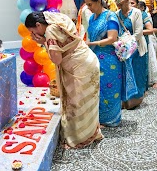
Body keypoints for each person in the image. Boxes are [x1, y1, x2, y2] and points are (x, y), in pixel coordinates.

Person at [24, 11, 103, 148]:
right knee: (89, 100)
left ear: (38, 25)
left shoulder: (50, 31)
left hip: (79, 67)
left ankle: (80, 138)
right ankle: (92, 133)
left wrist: (44, 42)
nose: (34, 35)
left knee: (77, 102)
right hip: (88, 60)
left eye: (33, 32)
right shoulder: (56, 17)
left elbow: (57, 59)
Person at [84, 0, 122, 127]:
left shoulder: (110, 16)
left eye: (90, 4)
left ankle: (111, 119)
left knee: (108, 88)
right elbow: (90, 36)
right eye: (87, 5)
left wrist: (91, 44)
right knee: (97, 88)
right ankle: (98, 118)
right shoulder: (91, 18)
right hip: (94, 58)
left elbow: (113, 38)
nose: (89, 8)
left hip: (108, 59)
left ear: (99, 1)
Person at [115, 0, 148, 109]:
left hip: (136, 48)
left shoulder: (136, 12)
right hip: (123, 50)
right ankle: (124, 100)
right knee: (124, 74)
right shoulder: (116, 14)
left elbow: (139, 32)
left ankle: (135, 100)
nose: (116, 2)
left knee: (137, 73)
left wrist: (129, 42)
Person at [138, 1, 157, 88]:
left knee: (149, 60)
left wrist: (137, 33)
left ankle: (152, 80)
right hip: (133, 41)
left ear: (143, 8)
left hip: (145, 40)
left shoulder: (144, 15)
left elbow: (150, 29)